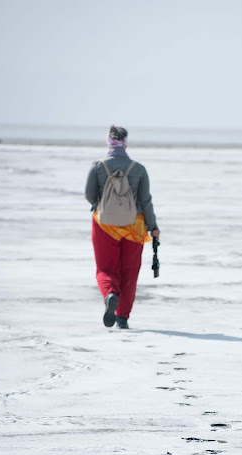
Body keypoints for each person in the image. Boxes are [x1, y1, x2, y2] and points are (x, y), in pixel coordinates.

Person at [85, 125, 160, 329]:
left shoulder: (97, 166)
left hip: (104, 225)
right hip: (133, 226)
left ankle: (110, 294)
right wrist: (153, 226)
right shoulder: (138, 169)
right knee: (130, 272)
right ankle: (122, 318)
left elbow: (89, 196)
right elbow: (146, 201)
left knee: (106, 268)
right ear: (125, 143)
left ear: (108, 142)